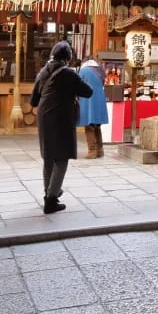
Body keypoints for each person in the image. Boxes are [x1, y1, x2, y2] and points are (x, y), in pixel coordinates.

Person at [31, 41, 92, 213]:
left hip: (44, 118)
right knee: (62, 159)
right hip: (61, 118)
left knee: (49, 157)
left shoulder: (42, 72)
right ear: (67, 58)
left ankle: (48, 194)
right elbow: (87, 91)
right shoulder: (68, 74)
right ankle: (51, 199)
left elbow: (33, 101)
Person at [77, 57, 110, 159]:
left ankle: (92, 151)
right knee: (97, 126)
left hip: (88, 100)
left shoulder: (83, 70)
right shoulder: (100, 70)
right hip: (99, 100)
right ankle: (100, 150)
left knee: (89, 126)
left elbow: (78, 85)